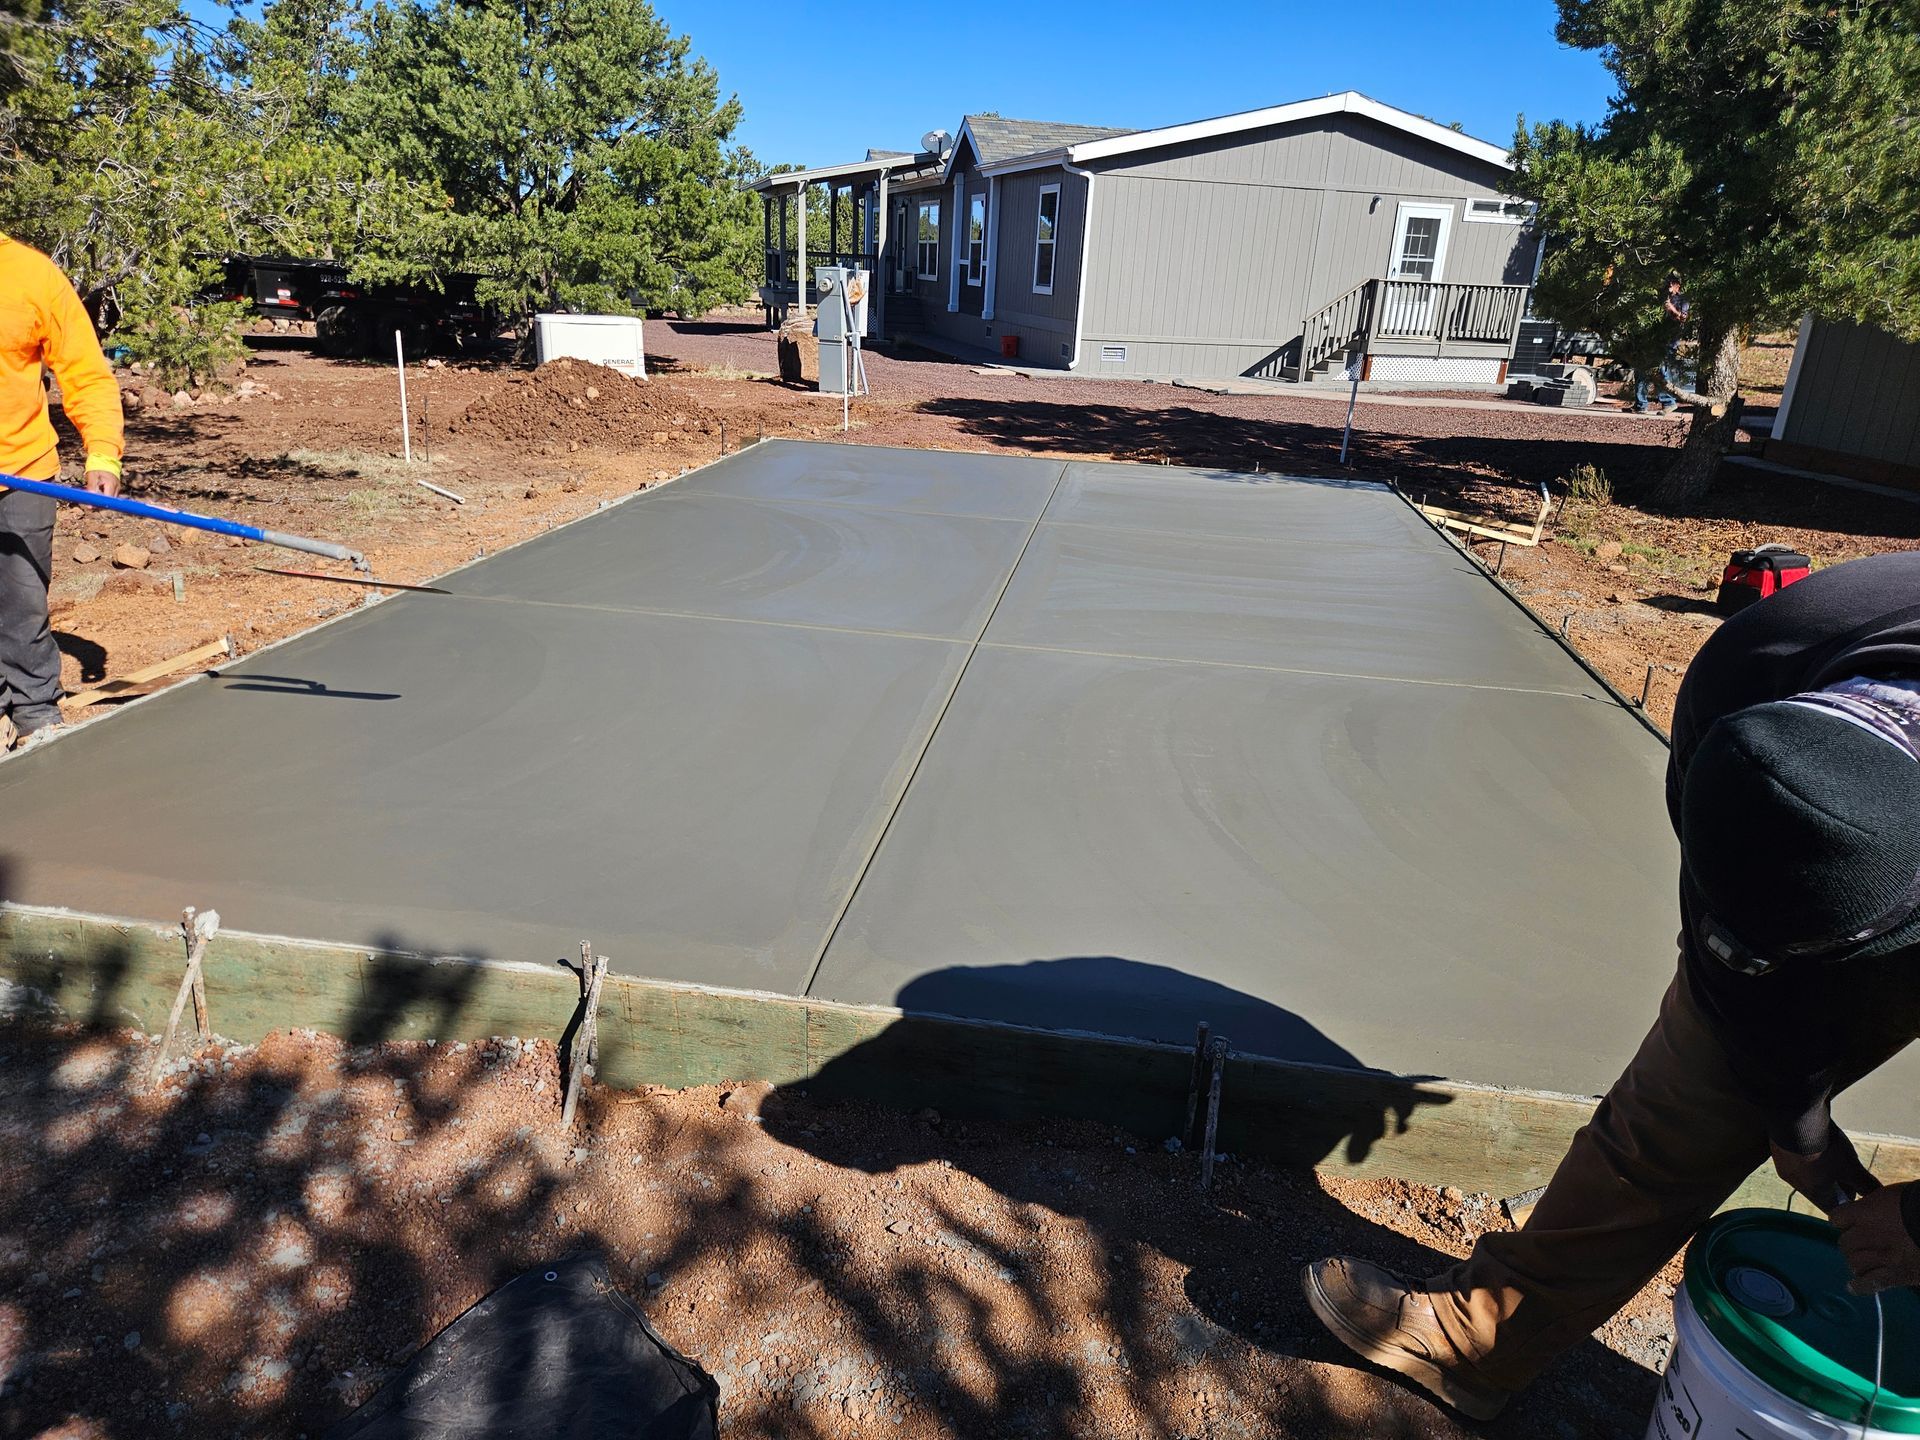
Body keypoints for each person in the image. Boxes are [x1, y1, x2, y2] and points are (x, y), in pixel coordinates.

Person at [1303, 549, 1920, 1421]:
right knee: (1691, 1097)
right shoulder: (1754, 673)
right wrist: (1797, 1121)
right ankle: (1486, 1339)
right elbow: (1732, 956)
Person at [0, 232, 125, 750]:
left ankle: (33, 714)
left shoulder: (31, 275)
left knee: (23, 600)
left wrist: (102, 451)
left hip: (22, 471)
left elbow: (85, 372)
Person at [1634, 272, 1689, 413]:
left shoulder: (1682, 300)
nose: (1669, 285)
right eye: (1667, 282)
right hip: (1652, 340)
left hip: (1668, 341)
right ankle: (1641, 404)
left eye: (1673, 282)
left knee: (1662, 372)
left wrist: (1670, 308)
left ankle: (1668, 402)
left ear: (1678, 285)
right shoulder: (1658, 298)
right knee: (1641, 370)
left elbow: (1683, 319)